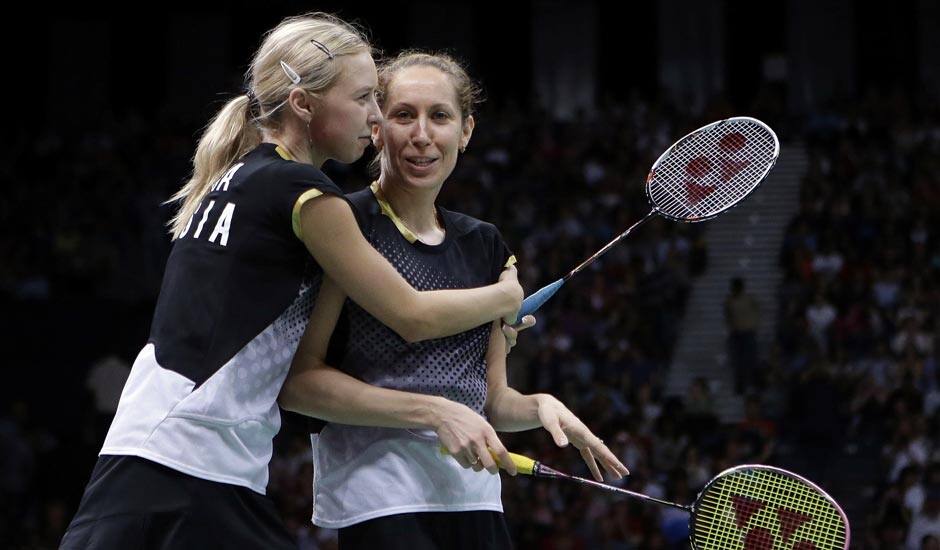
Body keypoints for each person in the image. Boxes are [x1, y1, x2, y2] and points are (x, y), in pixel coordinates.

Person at [61, 15, 524, 549]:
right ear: (305, 104)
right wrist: (504, 296)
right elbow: (411, 314)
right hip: (189, 462)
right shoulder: (306, 194)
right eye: (363, 99)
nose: (375, 118)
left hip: (166, 452)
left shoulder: (242, 174)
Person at [279, 51, 629, 550]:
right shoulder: (345, 224)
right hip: (381, 496)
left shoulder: (485, 246)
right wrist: (433, 411)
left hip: (475, 496)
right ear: (376, 128)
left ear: (465, 131)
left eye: (439, 116)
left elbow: (490, 399)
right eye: (404, 115)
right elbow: (301, 385)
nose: (422, 134)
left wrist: (541, 406)